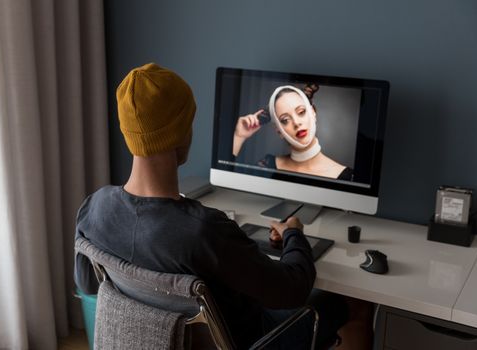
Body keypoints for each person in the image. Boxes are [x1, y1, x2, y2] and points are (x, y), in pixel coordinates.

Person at [74, 63, 350, 349]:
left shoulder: (94, 208)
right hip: (255, 340)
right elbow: (292, 290)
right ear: (183, 134)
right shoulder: (204, 230)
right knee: (343, 305)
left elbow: (88, 284)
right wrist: (294, 235)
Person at [232, 84, 354, 181]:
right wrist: (239, 136)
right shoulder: (267, 166)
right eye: (285, 120)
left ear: (313, 113)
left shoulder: (346, 176)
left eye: (301, 112)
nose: (296, 123)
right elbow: (232, 186)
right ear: (279, 131)